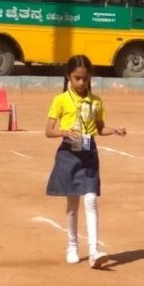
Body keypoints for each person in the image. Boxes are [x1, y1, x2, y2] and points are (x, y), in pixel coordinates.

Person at [45, 55, 127, 269]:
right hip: (69, 154)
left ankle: (93, 251)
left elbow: (100, 128)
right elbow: (48, 130)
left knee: (90, 199)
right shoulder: (61, 100)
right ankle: (72, 246)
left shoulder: (96, 101)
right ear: (68, 77)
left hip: (89, 153)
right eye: (77, 78)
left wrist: (114, 130)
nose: (81, 83)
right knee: (73, 204)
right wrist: (64, 132)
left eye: (85, 78)